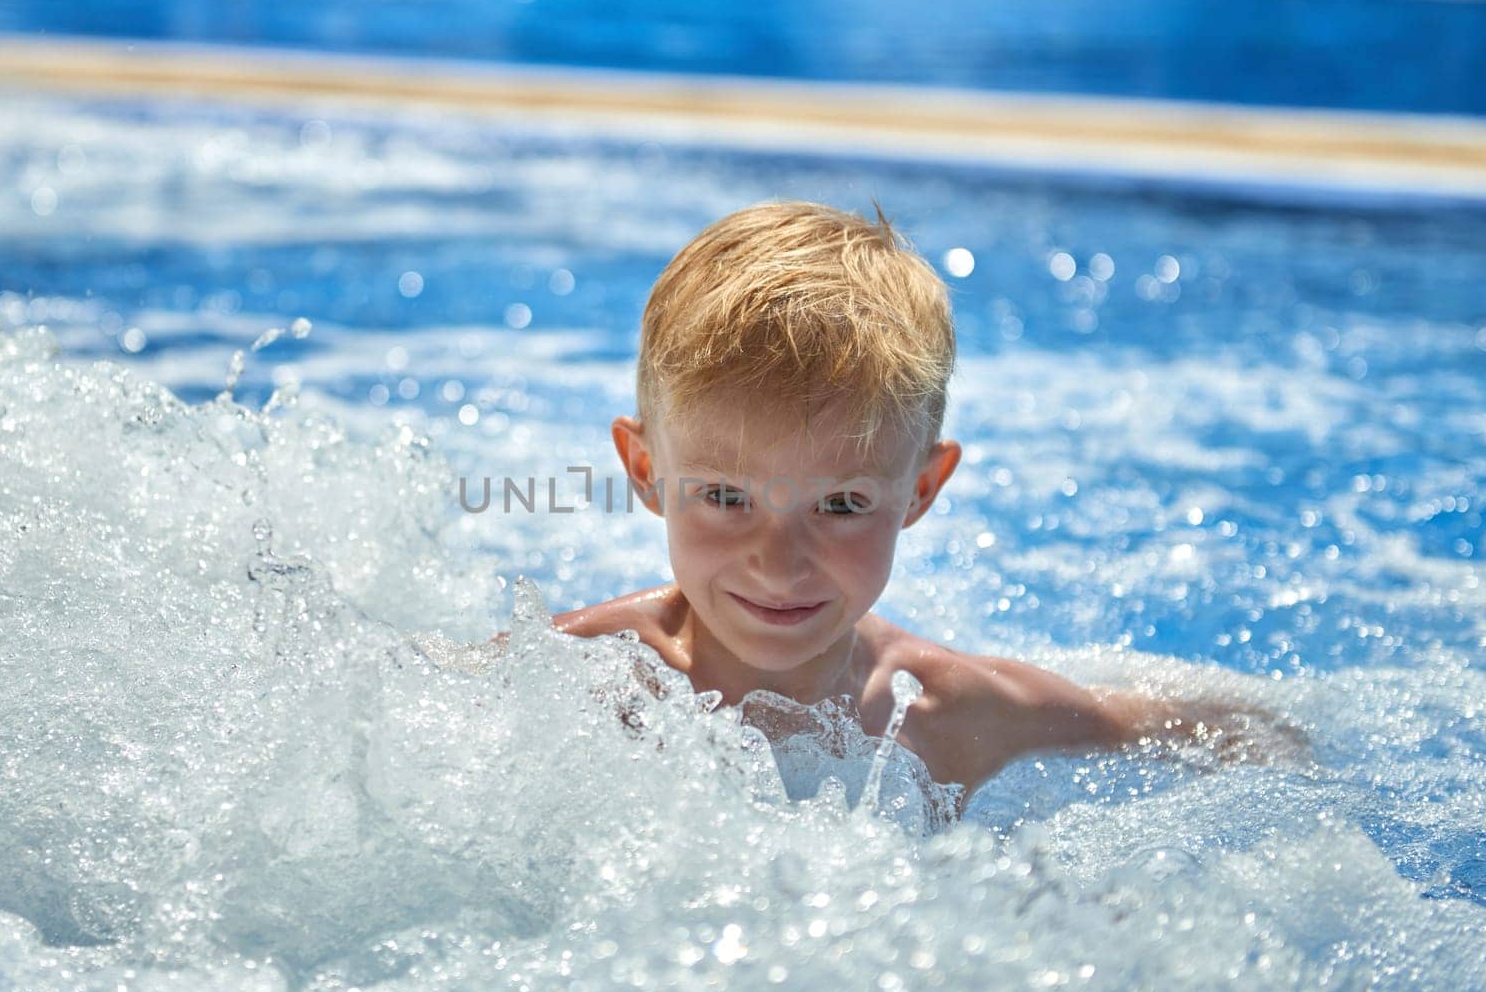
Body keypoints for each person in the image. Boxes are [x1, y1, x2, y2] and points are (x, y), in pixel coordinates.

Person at [541, 200, 1302, 811]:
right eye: (725, 497)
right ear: (645, 471)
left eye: (840, 504)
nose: (778, 563)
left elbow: (1228, 732)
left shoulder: (950, 714)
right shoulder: (575, 682)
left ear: (920, 490)